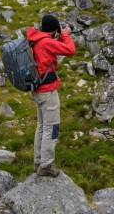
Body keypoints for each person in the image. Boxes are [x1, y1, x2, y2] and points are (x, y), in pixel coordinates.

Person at [26, 14, 76, 177]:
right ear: (54, 29)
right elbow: (70, 50)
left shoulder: (37, 39)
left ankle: (38, 161)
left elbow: (54, 48)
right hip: (47, 91)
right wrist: (66, 35)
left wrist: (60, 37)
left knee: (41, 126)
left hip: (38, 90)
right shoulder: (46, 42)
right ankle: (46, 165)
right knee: (52, 128)